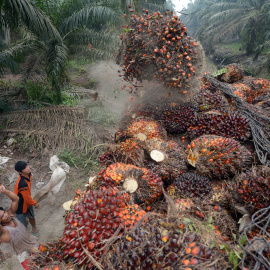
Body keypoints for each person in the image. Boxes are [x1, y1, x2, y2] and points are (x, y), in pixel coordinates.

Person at [0, 184, 38, 270]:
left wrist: (4, 191)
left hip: (34, 244)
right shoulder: (4, 232)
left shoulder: (11, 215)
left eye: (4, 212)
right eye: (2, 217)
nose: (6, 215)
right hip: (25, 256)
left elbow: (16, 199)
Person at [14, 161, 38, 235]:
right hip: (20, 205)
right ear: (20, 172)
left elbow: (27, 198)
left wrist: (31, 201)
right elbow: (27, 199)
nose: (28, 168)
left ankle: (34, 229)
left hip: (27, 201)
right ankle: (25, 235)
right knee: (22, 223)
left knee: (31, 216)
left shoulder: (28, 175)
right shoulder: (22, 183)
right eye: (25, 168)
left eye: (27, 166)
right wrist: (34, 203)